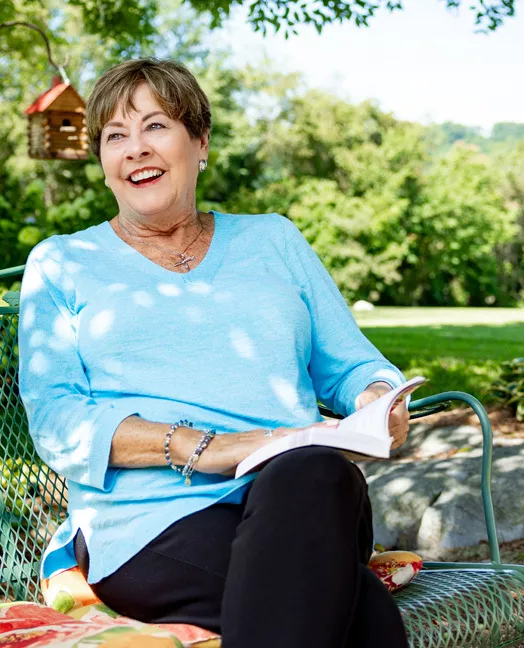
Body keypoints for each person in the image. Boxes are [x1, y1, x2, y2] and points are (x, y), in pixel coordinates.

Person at [18, 58, 410, 648]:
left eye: (155, 126)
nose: (135, 149)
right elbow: (57, 420)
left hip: (305, 498)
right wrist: (208, 448)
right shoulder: (62, 263)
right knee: (366, 613)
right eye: (115, 136)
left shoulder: (273, 239)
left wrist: (378, 396)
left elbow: (352, 364)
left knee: (310, 469)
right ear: (102, 164)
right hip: (152, 525)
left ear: (200, 142)